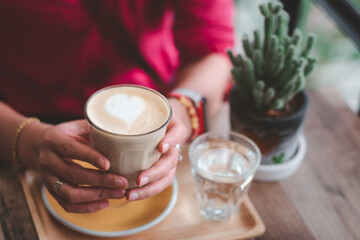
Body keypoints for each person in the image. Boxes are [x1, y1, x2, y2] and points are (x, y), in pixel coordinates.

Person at [0, 0, 234, 213]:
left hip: (157, 104)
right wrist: (26, 141)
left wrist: (180, 112)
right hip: (20, 122)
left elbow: (213, 48)